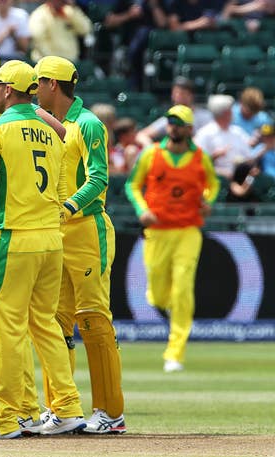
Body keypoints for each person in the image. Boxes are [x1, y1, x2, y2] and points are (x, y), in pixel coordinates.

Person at [0, 59, 85, 439]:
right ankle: (66, 408)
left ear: (6, 91)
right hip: (50, 236)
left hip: (12, 236)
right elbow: (64, 185)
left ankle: (6, 417)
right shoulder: (53, 133)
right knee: (44, 324)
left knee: (8, 329)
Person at [34, 55, 126, 434]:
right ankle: (61, 408)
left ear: (52, 85)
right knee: (55, 323)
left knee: (93, 320)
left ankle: (110, 412)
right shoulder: (49, 124)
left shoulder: (88, 125)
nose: (34, 90)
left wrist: (68, 207)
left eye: (37, 82)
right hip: (59, 233)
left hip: (87, 230)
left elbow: (100, 179)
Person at [125, 104, 220, 372]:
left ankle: (174, 353)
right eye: (170, 122)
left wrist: (208, 200)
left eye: (179, 123)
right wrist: (142, 210)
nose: (173, 127)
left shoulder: (201, 158)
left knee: (182, 289)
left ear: (190, 129)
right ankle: (168, 306)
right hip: (157, 231)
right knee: (155, 295)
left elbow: (213, 185)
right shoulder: (151, 154)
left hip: (188, 230)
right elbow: (133, 185)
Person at [136, 76, 213, 148]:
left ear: (191, 95)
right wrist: (153, 150)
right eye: (175, 93)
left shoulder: (206, 116)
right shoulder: (172, 117)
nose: (177, 97)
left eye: (181, 93)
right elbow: (141, 135)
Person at [194, 94, 253, 180]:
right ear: (224, 113)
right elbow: (199, 163)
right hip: (216, 179)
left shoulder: (237, 131)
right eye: (230, 110)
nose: (232, 112)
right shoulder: (204, 134)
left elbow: (249, 157)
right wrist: (214, 158)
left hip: (241, 177)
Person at [28, 0, 92, 63]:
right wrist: (53, 61)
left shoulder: (69, 12)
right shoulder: (39, 14)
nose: (61, 2)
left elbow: (85, 29)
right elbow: (39, 40)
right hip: (47, 63)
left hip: (71, 61)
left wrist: (73, 8)